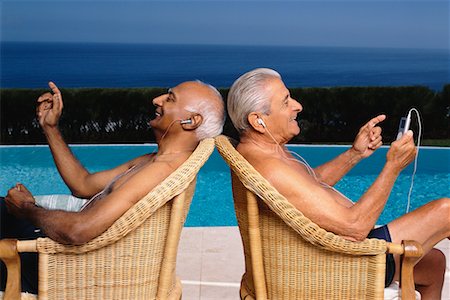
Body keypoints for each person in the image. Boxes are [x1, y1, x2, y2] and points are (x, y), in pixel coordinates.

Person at [227, 68, 448, 299]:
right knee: (446, 212)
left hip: (333, 254)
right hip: (342, 264)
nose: (298, 105)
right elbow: (355, 227)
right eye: (286, 102)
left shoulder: (264, 153)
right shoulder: (271, 168)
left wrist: (355, 154)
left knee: (434, 264)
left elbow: (308, 188)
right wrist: (393, 166)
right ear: (258, 121)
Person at [1, 80, 225, 294]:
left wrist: (27, 208)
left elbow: (77, 231)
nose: (157, 100)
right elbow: (83, 185)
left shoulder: (158, 172)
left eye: (170, 99)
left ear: (191, 121)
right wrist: (50, 127)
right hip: (72, 256)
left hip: (62, 270)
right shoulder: (153, 161)